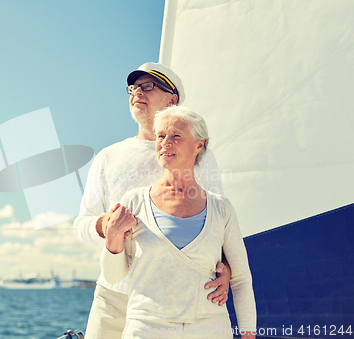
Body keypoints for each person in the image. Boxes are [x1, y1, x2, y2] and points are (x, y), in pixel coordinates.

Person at [74, 63, 231, 339]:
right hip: (113, 298)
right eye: (133, 88)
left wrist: (226, 269)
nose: (137, 92)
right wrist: (105, 225)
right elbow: (82, 224)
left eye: (148, 86)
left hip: (173, 299)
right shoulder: (107, 157)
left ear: (172, 99)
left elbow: (218, 222)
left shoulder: (200, 155)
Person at [101, 106, 256, 338]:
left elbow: (241, 279)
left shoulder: (221, 208)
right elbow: (114, 276)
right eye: (161, 136)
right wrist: (113, 236)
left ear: (199, 145)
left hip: (210, 328)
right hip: (145, 328)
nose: (165, 142)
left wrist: (248, 334)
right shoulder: (133, 202)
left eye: (176, 136)